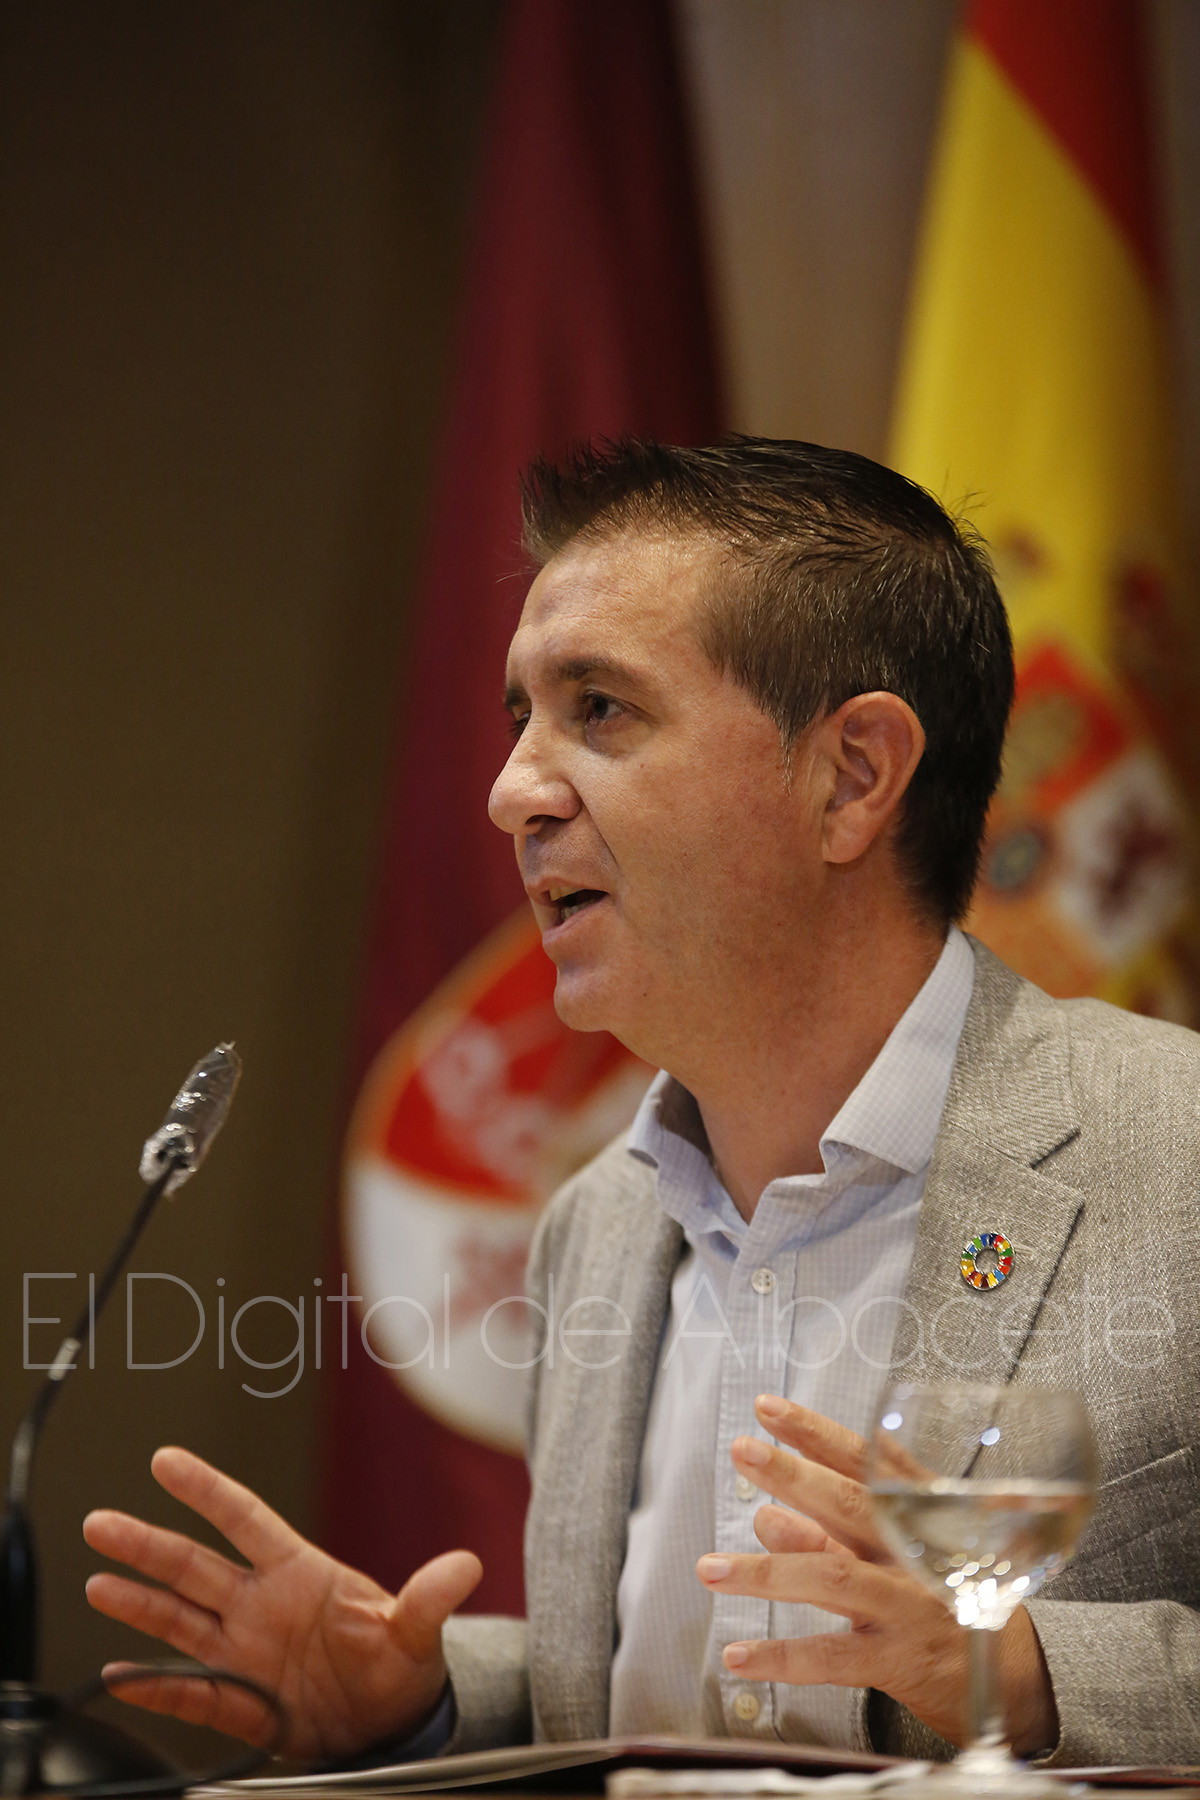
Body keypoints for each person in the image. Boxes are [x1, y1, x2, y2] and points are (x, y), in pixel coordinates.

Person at [83, 439, 1200, 1771]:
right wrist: (425, 1702)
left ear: (852, 775)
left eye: (600, 708)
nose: (512, 791)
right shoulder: (596, 1227)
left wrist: (1023, 1677)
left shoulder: (1173, 1153)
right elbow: (673, 1702)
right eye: (521, 717)